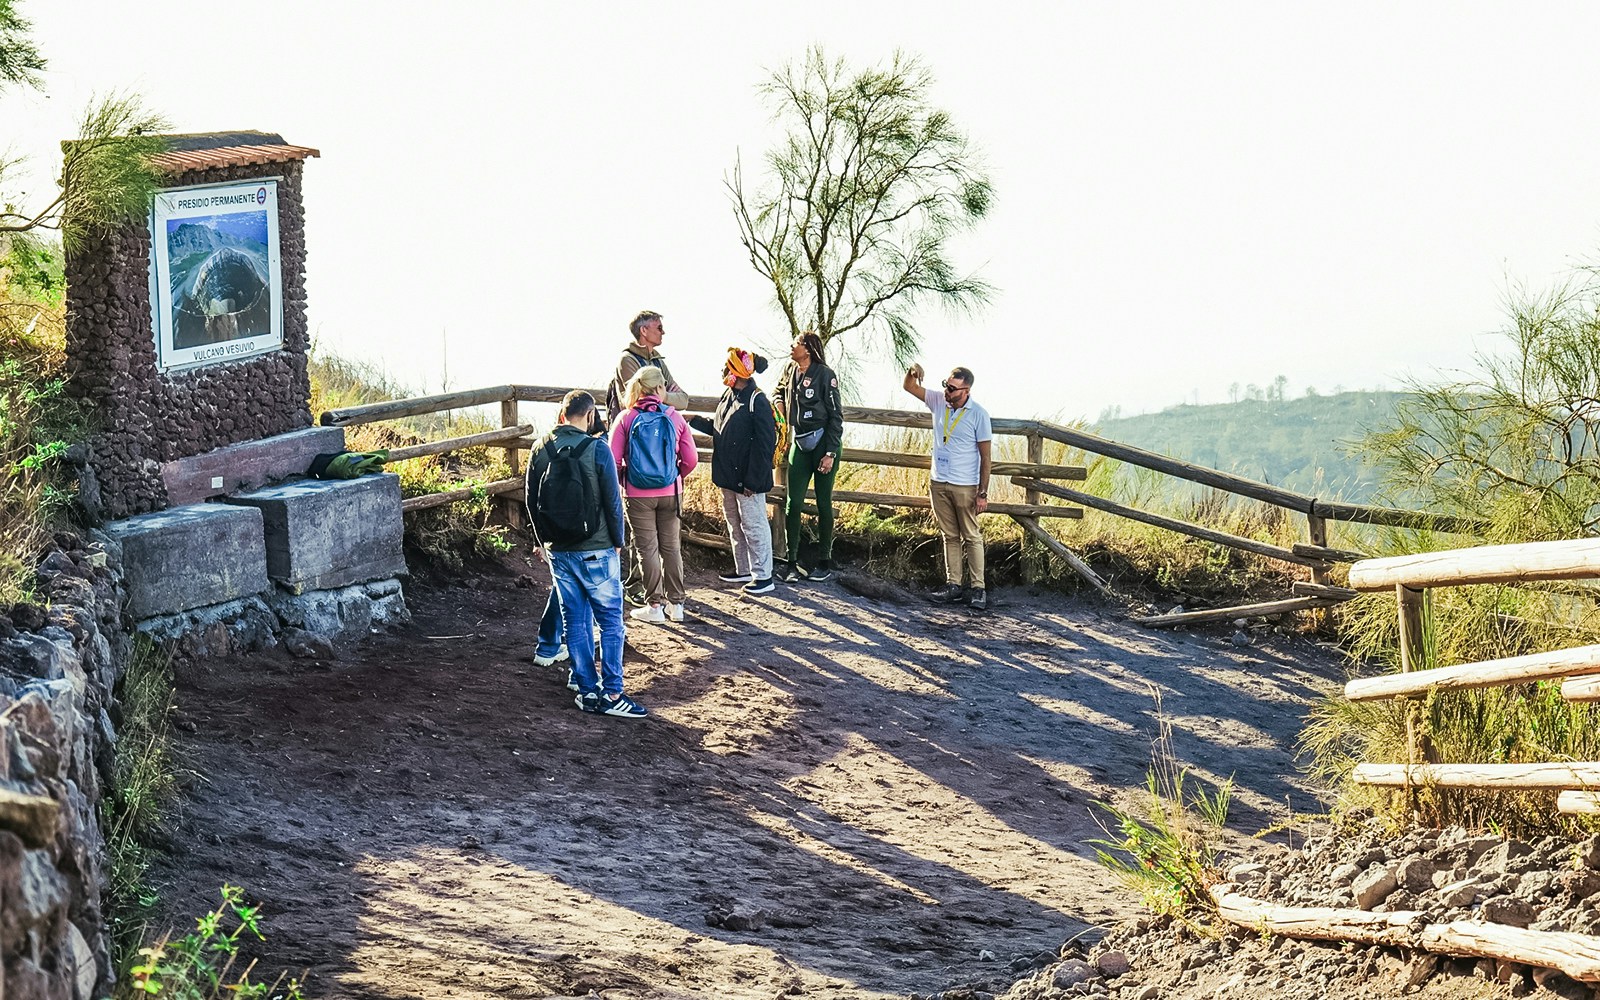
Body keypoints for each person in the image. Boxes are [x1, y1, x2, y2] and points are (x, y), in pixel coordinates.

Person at [526, 389, 648, 718]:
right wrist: (619, 540)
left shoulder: (540, 448)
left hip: (559, 551)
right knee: (610, 623)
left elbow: (530, 500)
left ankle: (587, 691)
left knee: (574, 624)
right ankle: (613, 694)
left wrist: (542, 540)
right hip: (597, 549)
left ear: (562, 414)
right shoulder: (597, 449)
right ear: (590, 416)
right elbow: (612, 500)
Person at [610, 366, 698, 623]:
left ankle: (655, 607)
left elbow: (612, 460)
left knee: (646, 549)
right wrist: (676, 476)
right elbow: (691, 458)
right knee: (671, 548)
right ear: (660, 388)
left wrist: (626, 480)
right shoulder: (675, 417)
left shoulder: (626, 418)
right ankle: (677, 606)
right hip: (671, 491)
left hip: (638, 495)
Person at [902, 363, 993, 611]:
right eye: (946, 385)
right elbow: (909, 387)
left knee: (972, 536)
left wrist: (982, 493)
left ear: (967, 391)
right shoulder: (938, 402)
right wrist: (913, 371)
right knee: (950, 535)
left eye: (952, 389)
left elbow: (986, 458)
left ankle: (978, 589)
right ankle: (953, 584)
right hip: (939, 480)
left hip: (965, 484)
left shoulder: (979, 414)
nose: (947, 392)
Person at [688, 348, 777, 594]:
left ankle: (764, 576)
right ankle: (744, 569)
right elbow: (721, 429)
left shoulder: (757, 400)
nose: (723, 372)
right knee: (735, 524)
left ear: (736, 372)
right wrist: (694, 420)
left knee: (754, 524)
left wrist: (754, 479)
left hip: (748, 479)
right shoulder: (729, 396)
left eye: (727, 368)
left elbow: (764, 444)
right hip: (728, 476)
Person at [772, 331, 845, 583]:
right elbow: (778, 392)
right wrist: (780, 407)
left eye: (797, 343)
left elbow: (836, 416)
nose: (792, 346)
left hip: (823, 442)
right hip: (800, 442)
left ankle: (824, 560)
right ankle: (791, 562)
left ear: (808, 349)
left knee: (824, 502)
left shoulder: (826, 375)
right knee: (793, 503)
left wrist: (830, 453)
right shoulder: (790, 371)